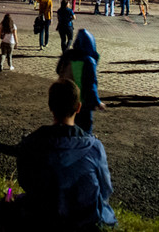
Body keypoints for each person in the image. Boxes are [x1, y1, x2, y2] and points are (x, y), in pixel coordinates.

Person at [16, 79, 117, 230]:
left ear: (50, 106)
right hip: (83, 220)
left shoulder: (32, 143)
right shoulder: (94, 147)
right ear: (78, 107)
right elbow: (105, 188)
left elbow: (25, 181)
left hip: (43, 217)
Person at [56, 29, 107, 133]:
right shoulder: (89, 61)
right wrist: (97, 101)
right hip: (83, 101)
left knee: (68, 126)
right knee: (85, 128)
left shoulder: (68, 54)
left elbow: (58, 70)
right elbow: (91, 84)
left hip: (67, 97)